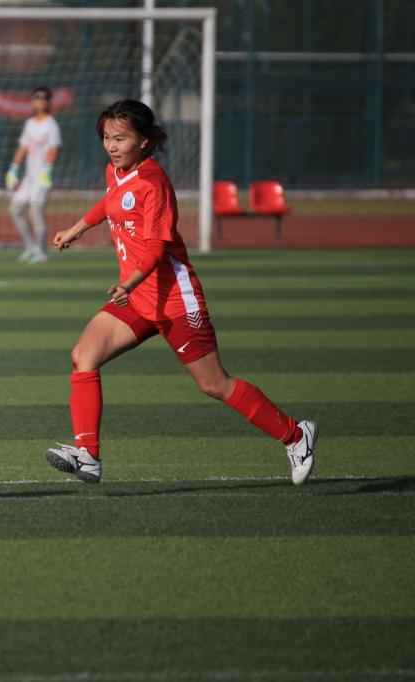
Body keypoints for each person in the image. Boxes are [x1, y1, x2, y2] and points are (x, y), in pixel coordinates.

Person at [46, 99, 317, 485]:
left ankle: (295, 434)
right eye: (106, 137)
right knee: (83, 356)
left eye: (120, 138)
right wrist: (76, 229)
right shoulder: (116, 171)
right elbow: (111, 202)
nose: (111, 146)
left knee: (213, 383)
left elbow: (157, 248)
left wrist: (127, 284)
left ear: (144, 141)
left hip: (174, 298)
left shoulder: (154, 183)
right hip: (138, 298)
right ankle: (88, 455)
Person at [6, 85, 62, 264]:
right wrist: (13, 169)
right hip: (28, 179)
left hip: (41, 178)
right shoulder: (29, 124)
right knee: (15, 210)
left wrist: (47, 169)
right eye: (37, 97)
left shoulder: (51, 124)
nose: (40, 101)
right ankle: (30, 246)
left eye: (44, 98)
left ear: (49, 102)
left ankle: (41, 252)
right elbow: (23, 147)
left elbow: (53, 149)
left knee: (36, 212)